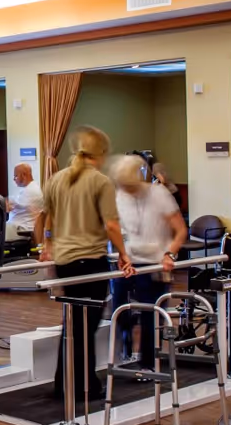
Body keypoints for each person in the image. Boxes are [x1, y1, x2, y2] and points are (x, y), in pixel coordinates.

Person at [39, 126, 135, 400]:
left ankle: (65, 383)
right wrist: (123, 254)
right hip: (91, 262)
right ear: (100, 153)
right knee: (87, 324)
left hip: (65, 263)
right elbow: (112, 224)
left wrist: (47, 246)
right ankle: (84, 385)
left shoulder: (57, 178)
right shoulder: (100, 181)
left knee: (72, 323)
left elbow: (48, 219)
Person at [111, 155, 187, 370]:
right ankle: (125, 352)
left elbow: (181, 230)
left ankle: (148, 364)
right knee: (119, 310)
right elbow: (119, 230)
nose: (128, 190)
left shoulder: (159, 193)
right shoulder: (119, 196)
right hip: (130, 263)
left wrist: (169, 254)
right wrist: (120, 254)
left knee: (150, 317)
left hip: (155, 263)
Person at [5, 163, 43, 242]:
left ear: (24, 175)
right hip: (19, 226)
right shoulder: (28, 188)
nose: (14, 179)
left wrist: (7, 203)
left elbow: (11, 205)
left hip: (23, 229)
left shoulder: (31, 190)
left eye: (16, 176)